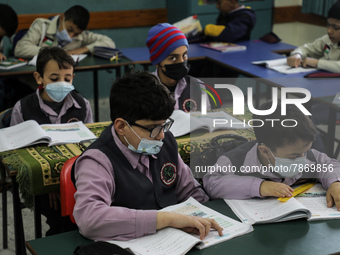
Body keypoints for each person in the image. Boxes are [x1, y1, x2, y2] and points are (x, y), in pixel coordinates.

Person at [72, 71, 223, 241]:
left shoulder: (166, 144)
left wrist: (209, 218)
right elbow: (89, 219)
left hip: (177, 241)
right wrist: (167, 218)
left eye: (164, 125)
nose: (161, 136)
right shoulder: (98, 160)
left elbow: (191, 192)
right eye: (153, 128)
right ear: (121, 126)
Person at [203, 100, 340, 210]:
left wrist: (335, 183)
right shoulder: (235, 161)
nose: (303, 158)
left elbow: (329, 165)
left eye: (305, 151)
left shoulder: (305, 154)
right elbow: (212, 184)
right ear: (265, 152)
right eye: (293, 156)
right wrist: (260, 186)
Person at [10, 46, 93, 126]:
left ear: (72, 77)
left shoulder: (83, 105)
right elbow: (14, 139)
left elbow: (90, 137)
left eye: (67, 79)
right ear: (39, 78)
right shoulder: (22, 109)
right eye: (54, 79)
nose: (62, 84)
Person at [146, 23, 211, 112]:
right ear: (157, 61)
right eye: (173, 58)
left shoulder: (198, 87)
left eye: (184, 55)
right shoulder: (144, 91)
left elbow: (206, 120)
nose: (181, 62)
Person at [14, 5, 115, 59]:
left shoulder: (82, 35)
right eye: (69, 30)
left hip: (60, 83)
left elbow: (109, 43)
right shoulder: (42, 25)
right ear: (62, 18)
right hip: (33, 80)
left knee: (78, 98)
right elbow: (20, 49)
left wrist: (84, 49)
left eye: (76, 34)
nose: (71, 36)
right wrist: (54, 53)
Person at [287, 1, 340, 73]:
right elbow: (306, 49)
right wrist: (297, 54)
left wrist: (316, 63)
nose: (329, 31)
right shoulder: (328, 39)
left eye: (336, 27)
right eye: (328, 25)